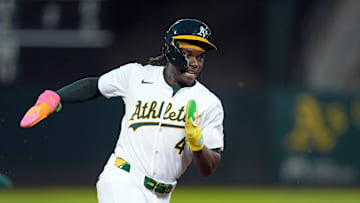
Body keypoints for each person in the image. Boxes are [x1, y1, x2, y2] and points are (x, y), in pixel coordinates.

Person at [20, 18, 225, 203]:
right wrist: (55, 99)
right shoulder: (136, 75)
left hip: (162, 195)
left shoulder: (208, 102)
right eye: (189, 54)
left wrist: (197, 144)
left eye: (200, 57)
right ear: (172, 51)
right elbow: (95, 86)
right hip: (123, 179)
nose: (195, 63)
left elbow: (209, 167)